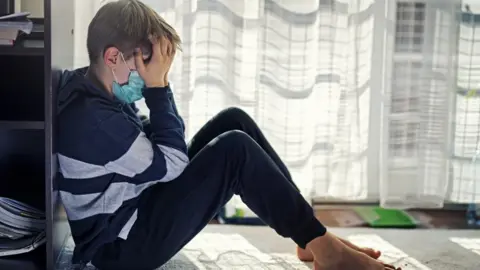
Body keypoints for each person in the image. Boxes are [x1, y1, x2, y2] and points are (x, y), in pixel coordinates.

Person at [57, 1, 399, 269]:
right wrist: (159, 90)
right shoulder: (94, 118)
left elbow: (153, 143)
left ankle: (310, 238)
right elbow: (173, 163)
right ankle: (325, 248)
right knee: (234, 150)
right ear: (113, 56)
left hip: (135, 206)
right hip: (122, 247)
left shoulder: (95, 86)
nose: (148, 79)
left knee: (233, 121)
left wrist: (157, 89)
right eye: (145, 67)